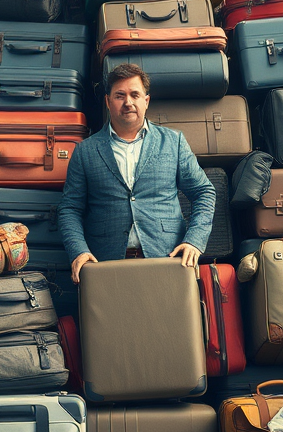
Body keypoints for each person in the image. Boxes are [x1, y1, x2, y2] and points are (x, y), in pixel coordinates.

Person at [58, 62, 216, 282]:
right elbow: (69, 209)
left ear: (146, 101)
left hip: (168, 260)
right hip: (105, 264)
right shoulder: (85, 151)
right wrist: (78, 251)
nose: (128, 102)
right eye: (119, 95)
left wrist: (194, 241)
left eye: (135, 94)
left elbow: (203, 192)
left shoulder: (173, 142)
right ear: (107, 101)